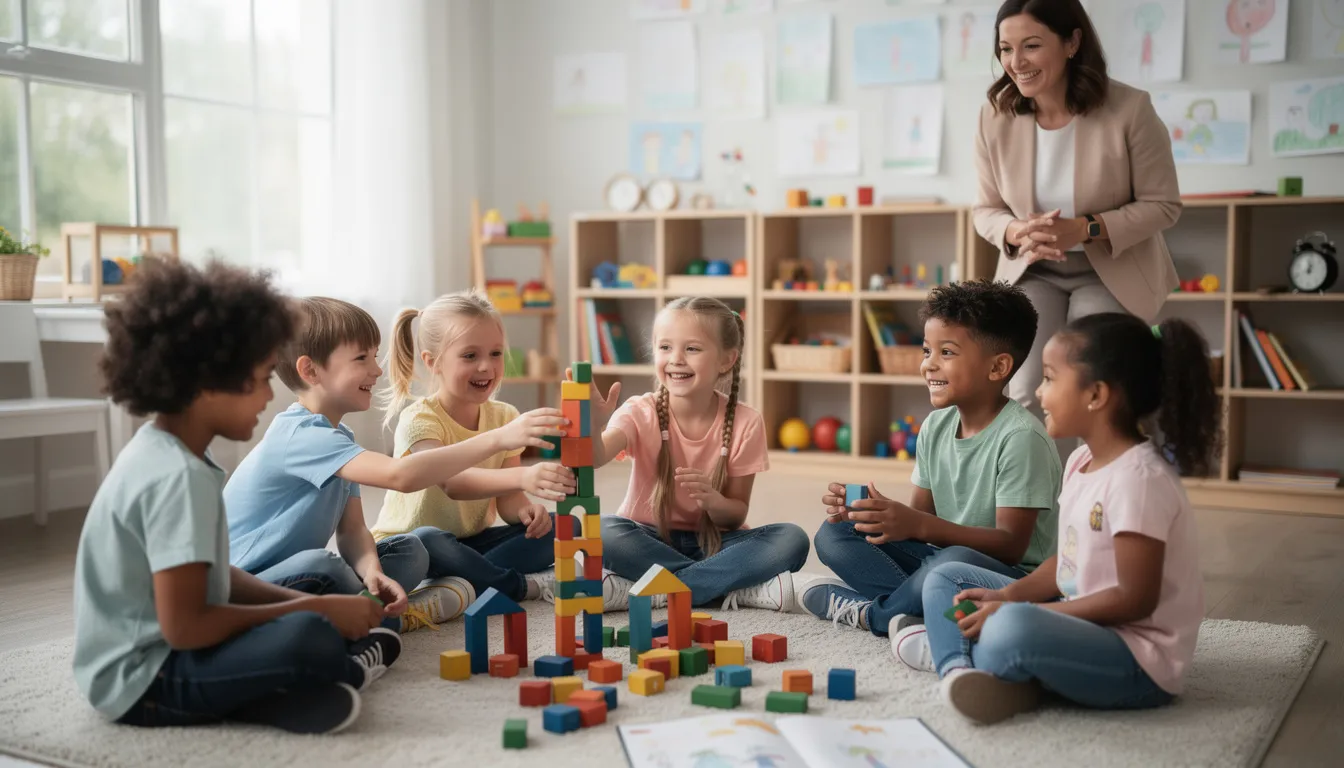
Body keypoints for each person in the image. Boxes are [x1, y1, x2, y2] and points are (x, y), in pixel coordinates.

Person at [73, 259, 399, 735]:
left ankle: (278, 698)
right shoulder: (175, 477)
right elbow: (186, 628)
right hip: (142, 681)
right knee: (310, 633)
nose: (270, 396)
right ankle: (317, 677)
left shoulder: (172, 453)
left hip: (164, 654)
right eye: (262, 377)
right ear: (208, 382)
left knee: (314, 622)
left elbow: (213, 576)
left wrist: (302, 602)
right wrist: (313, 608)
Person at [914, 313, 1219, 725]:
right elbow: (1067, 562)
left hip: (1137, 660)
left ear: (1095, 395)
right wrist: (1007, 596)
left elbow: (1135, 600)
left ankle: (969, 655)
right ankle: (959, 672)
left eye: (1050, 379)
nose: (1038, 393)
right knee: (947, 577)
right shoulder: (1080, 460)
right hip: (1080, 620)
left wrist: (1024, 614)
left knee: (1013, 628)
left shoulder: (1139, 481)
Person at [224, 297, 566, 632]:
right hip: (246, 583)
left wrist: (372, 569)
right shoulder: (301, 435)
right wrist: (499, 439)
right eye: (362, 358)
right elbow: (400, 476)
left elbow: (353, 531)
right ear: (310, 370)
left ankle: (367, 612)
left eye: (375, 356)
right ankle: (356, 614)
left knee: (410, 551)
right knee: (322, 564)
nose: (377, 370)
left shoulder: (339, 437)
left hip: (298, 579)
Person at [802, 280, 1062, 648]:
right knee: (834, 535)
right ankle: (920, 610)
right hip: (944, 563)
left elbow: (1011, 547)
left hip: (1012, 579)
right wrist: (874, 515)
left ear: (998, 367)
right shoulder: (936, 426)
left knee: (946, 565)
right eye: (927, 350)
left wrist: (919, 525)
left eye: (947, 352)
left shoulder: (1021, 438)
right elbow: (918, 523)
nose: (928, 364)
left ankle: (874, 614)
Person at [972, 0, 1182, 440]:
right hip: (1035, 270)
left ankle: (1094, 502)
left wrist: (1084, 227)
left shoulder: (1129, 109)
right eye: (1005, 48)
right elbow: (985, 210)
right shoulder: (995, 117)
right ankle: (1040, 507)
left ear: (1072, 42)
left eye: (1031, 45)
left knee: (1086, 390)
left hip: (1109, 270)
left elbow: (1163, 204)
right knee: (1028, 391)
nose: (1016, 62)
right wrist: (1015, 230)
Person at [584, 297, 810, 612]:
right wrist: (593, 427)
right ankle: (723, 588)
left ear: (726, 360)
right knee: (600, 530)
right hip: (647, 537)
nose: (676, 359)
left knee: (792, 539)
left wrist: (713, 501)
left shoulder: (746, 421)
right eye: (664, 348)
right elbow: (594, 457)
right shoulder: (640, 410)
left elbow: (736, 515)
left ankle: (662, 589)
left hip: (715, 545)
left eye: (692, 349)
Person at [371, 291, 575, 605]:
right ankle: (516, 587)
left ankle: (464, 578)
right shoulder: (419, 419)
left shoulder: (505, 415)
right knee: (429, 540)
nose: (486, 367)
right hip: (411, 546)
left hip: (470, 543)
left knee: (566, 526)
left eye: (495, 353)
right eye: (470, 356)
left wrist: (526, 512)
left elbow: (508, 501)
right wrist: (523, 477)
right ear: (432, 362)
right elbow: (454, 483)